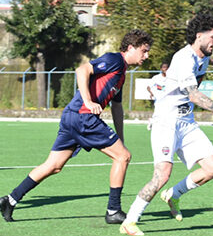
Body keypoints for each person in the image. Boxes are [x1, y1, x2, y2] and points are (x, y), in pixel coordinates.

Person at [0, 29, 153, 223]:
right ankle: (113, 211)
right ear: (131, 48)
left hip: (72, 117)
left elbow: (117, 107)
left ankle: (10, 200)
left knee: (53, 166)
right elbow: (82, 70)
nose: (146, 56)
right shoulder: (115, 60)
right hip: (83, 117)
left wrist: (120, 137)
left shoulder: (121, 73)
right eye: (144, 51)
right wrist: (88, 102)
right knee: (123, 157)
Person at [120, 12, 213, 236]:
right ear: (199, 36)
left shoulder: (204, 55)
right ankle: (129, 221)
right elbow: (194, 95)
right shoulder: (183, 59)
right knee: (162, 174)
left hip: (187, 122)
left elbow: (205, 60)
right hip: (166, 122)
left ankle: (173, 195)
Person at [146, 62, 169, 130]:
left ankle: (153, 121)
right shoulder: (156, 78)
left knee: (166, 113)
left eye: (167, 68)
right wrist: (151, 93)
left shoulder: (171, 78)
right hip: (159, 98)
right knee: (158, 112)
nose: (165, 69)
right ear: (161, 69)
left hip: (168, 99)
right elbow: (148, 87)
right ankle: (152, 121)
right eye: (164, 67)